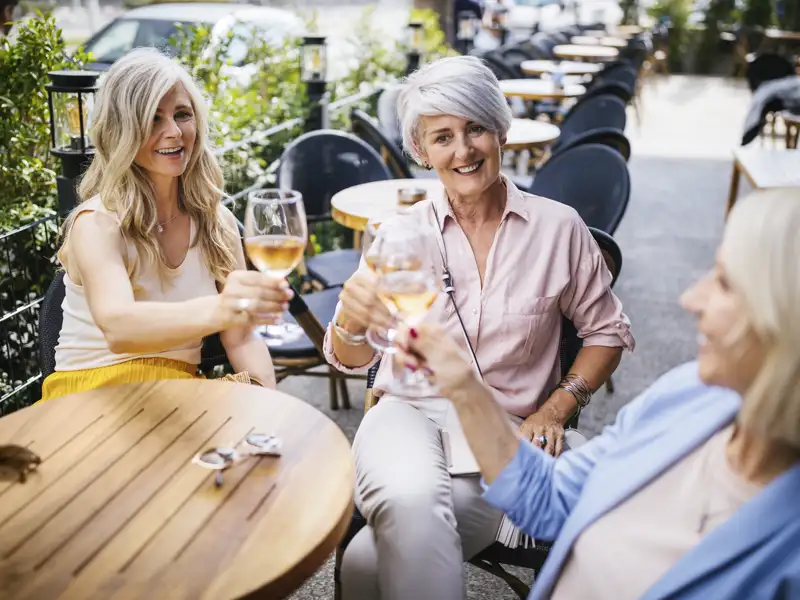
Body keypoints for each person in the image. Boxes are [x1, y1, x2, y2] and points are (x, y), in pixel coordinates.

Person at [325, 55, 634, 599]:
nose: (463, 151)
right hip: (406, 411)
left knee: (367, 558)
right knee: (412, 498)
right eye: (441, 137)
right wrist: (351, 317)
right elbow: (350, 358)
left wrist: (556, 406)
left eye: (475, 129)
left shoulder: (558, 228)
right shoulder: (400, 234)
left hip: (507, 437)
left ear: (500, 130)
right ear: (421, 152)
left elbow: (606, 332)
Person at [398, 188, 800, 599]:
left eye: (726, 284)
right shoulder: (687, 395)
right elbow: (545, 497)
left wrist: (553, 408)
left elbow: (606, 330)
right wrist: (465, 388)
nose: (691, 298)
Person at [40, 48, 291, 401]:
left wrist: (267, 398)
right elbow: (119, 326)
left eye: (182, 114)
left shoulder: (217, 224)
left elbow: (242, 338)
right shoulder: (97, 224)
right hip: (92, 396)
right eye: (154, 119)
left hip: (176, 393)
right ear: (122, 131)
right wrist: (222, 309)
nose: (173, 132)